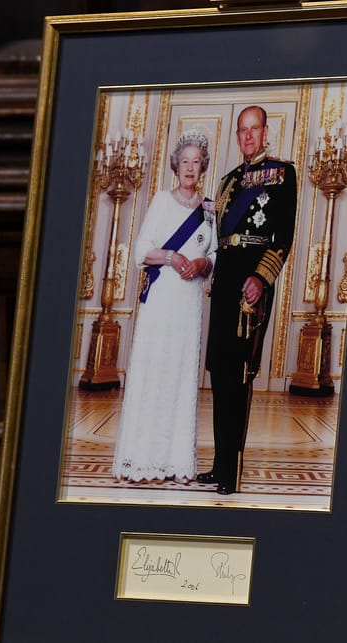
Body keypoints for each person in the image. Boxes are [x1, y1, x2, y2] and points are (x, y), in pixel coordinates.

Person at [196, 106, 298, 495]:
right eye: (243, 131)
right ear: (237, 135)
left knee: (239, 376)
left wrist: (261, 277)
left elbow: (283, 237)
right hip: (224, 284)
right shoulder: (228, 182)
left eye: (255, 129)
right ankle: (220, 465)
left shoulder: (281, 174)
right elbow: (217, 234)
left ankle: (232, 472)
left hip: (250, 287)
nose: (249, 136)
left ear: (265, 131)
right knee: (219, 376)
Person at [111, 130, 218, 484]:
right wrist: (173, 257)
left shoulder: (209, 209)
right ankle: (141, 459)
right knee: (154, 372)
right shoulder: (160, 200)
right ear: (176, 166)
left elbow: (214, 254)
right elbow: (142, 251)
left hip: (189, 304)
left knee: (181, 374)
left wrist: (202, 265)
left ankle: (175, 462)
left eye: (196, 162)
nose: (190, 167)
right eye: (184, 161)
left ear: (203, 166)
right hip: (161, 301)